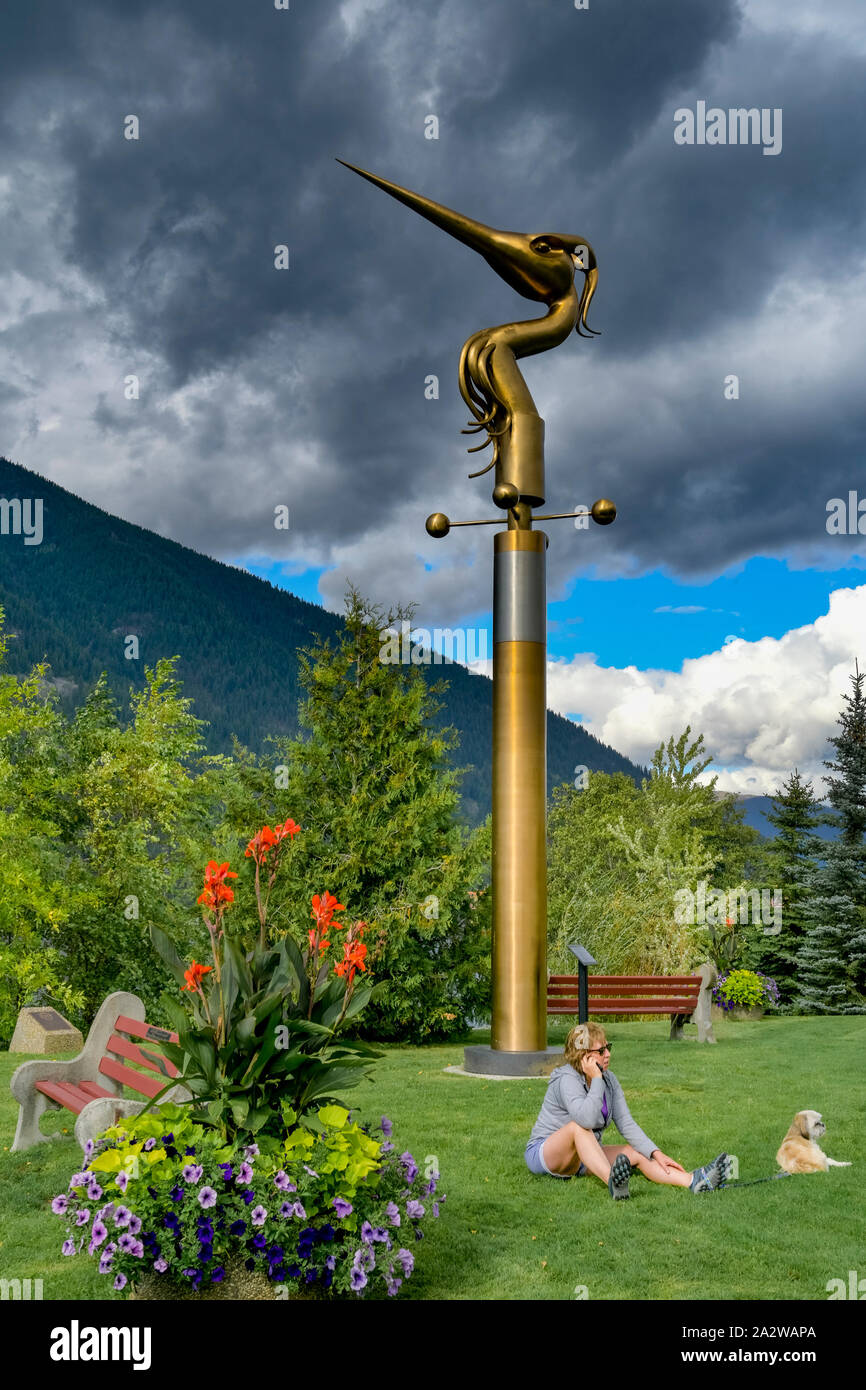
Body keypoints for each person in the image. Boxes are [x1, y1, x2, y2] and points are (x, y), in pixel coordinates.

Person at [525, 1022, 729, 1198]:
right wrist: (596, 1079)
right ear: (584, 1057)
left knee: (636, 1152)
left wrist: (655, 1152)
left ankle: (695, 1181)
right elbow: (585, 1120)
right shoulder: (567, 1079)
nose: (608, 1054)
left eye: (608, 1047)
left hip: (580, 1159)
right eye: (601, 1051)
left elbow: (626, 1123)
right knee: (577, 1128)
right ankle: (612, 1182)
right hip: (545, 1154)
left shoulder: (609, 1080)